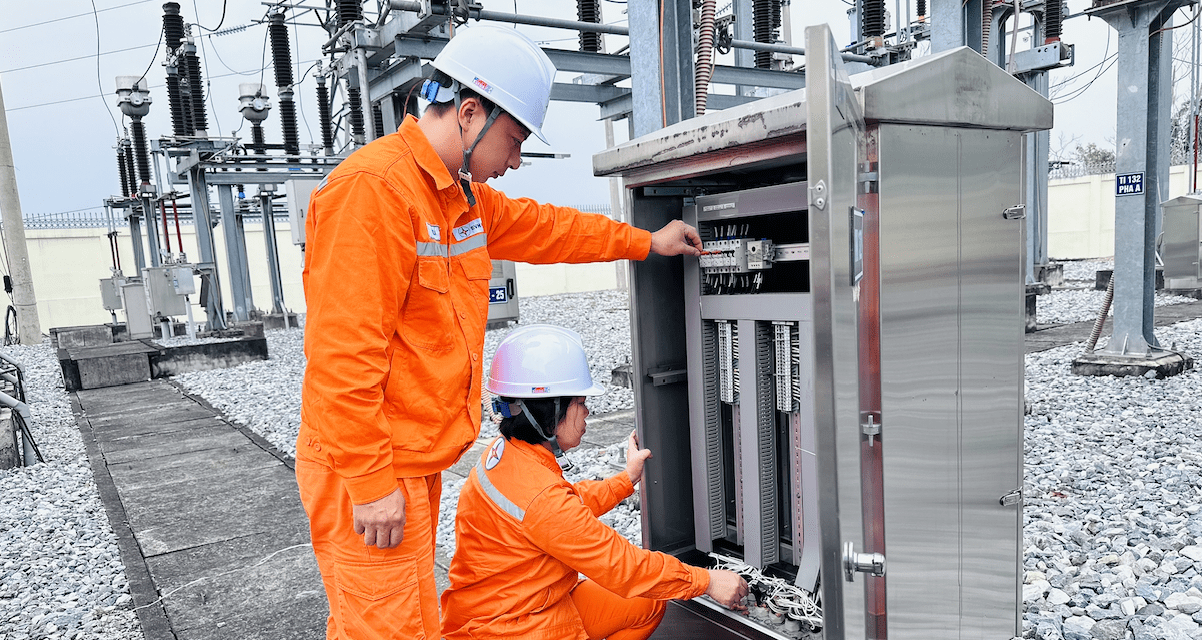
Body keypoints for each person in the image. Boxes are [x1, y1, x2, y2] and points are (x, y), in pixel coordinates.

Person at [294, 25, 704, 640]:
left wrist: (646, 241)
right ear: (469, 114)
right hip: (369, 466)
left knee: (398, 622)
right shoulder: (373, 194)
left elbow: (551, 229)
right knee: (386, 628)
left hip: (409, 460)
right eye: (513, 141)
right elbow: (341, 359)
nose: (513, 162)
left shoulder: (460, 201)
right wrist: (371, 483)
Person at [441, 325, 749, 640]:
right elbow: (622, 566)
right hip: (515, 628)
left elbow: (564, 508)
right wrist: (706, 581)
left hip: (502, 610)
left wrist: (625, 480)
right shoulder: (543, 499)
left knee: (647, 602)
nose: (587, 411)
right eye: (580, 402)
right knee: (642, 591)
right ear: (550, 411)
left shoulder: (504, 453)